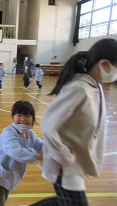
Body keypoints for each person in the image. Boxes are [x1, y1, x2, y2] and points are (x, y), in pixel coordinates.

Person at [30, 38, 117, 206]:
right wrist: (63, 155)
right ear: (104, 64)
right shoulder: (79, 87)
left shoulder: (95, 87)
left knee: (64, 203)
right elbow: (48, 123)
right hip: (66, 166)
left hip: (76, 164)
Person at [0, 100, 43, 206]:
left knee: (2, 199)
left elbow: (41, 144)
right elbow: (15, 150)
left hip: (9, 174)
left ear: (33, 119)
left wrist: (55, 148)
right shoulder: (8, 133)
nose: (23, 119)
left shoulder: (30, 135)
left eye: (27, 115)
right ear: (13, 117)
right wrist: (36, 156)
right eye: (19, 115)